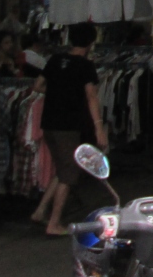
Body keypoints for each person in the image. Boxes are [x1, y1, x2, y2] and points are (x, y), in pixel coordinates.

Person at [30, 23, 105, 236]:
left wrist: (58, 93)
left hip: (49, 122)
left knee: (62, 169)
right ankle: (54, 223)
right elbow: (91, 97)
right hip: (69, 125)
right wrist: (99, 128)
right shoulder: (85, 66)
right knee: (69, 173)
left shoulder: (55, 60)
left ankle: (40, 211)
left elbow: (37, 85)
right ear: (90, 43)